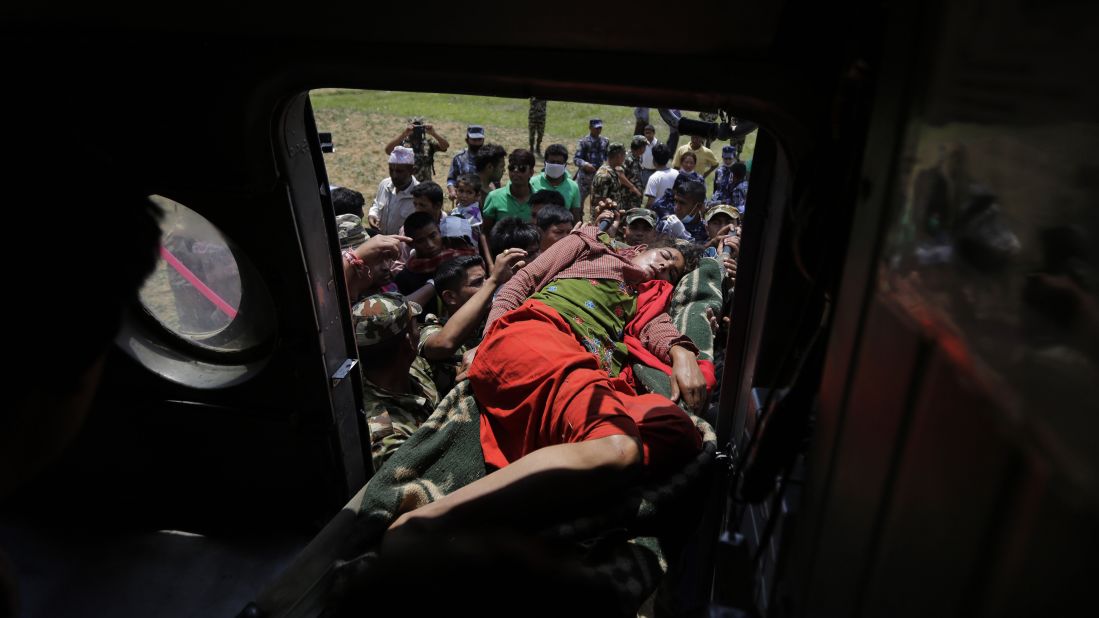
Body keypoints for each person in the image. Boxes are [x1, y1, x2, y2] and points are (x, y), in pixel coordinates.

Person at [386, 225, 708, 542]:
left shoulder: (648, 294)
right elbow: (523, 282)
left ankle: (561, 479)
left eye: (671, 274)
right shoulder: (591, 243)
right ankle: (431, 522)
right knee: (619, 447)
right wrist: (487, 341)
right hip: (539, 334)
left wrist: (682, 353)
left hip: (588, 373)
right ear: (642, 248)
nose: (664, 267)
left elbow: (656, 326)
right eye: (665, 256)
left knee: (677, 431)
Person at [419, 250, 526, 396]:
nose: (486, 286)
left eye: (486, 279)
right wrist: (494, 280)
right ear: (450, 297)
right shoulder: (431, 328)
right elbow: (443, 344)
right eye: (477, 282)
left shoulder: (496, 315)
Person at [352, 293, 439, 471]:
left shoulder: (406, 364)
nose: (420, 329)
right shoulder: (386, 435)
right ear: (408, 344)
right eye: (417, 326)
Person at [393, 212, 476, 311]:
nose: (430, 245)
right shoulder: (404, 278)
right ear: (410, 244)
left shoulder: (462, 261)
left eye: (433, 236)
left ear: (439, 232)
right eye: (421, 241)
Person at [482, 149, 536, 235]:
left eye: (521, 168)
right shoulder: (494, 197)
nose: (515, 171)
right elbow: (485, 232)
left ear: (531, 172)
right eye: (512, 168)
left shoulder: (540, 199)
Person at [369, 146, 419, 234]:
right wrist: (372, 214)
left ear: (412, 171)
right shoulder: (384, 184)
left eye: (399, 171)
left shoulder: (419, 195)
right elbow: (377, 204)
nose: (394, 176)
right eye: (391, 170)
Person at [384, 116, 450, 182]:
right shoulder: (402, 144)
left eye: (419, 127)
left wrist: (434, 133)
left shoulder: (428, 143)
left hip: (425, 183)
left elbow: (445, 146)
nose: (416, 131)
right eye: (414, 128)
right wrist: (403, 134)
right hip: (407, 184)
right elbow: (388, 150)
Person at [529, 143, 582, 222]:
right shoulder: (532, 182)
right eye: (552, 162)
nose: (555, 165)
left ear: (565, 165)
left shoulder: (573, 186)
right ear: (545, 163)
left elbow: (576, 215)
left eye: (559, 163)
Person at [574, 118, 609, 216]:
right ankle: (578, 221)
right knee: (578, 203)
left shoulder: (605, 141)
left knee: (598, 204)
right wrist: (585, 164)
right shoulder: (583, 142)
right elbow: (576, 159)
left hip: (599, 178)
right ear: (590, 128)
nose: (598, 130)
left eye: (600, 128)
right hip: (585, 178)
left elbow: (607, 157)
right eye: (596, 128)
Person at [657, 179, 709, 244]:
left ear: (698, 206)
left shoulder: (706, 229)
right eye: (676, 201)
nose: (677, 207)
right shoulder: (666, 224)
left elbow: (705, 251)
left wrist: (684, 237)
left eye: (682, 203)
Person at [446, 125, 486, 201]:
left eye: (479, 139)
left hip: (485, 201)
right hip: (464, 201)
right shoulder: (459, 158)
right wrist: (452, 191)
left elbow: (496, 181)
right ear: (467, 140)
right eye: (474, 140)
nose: (477, 143)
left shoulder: (489, 158)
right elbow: (451, 179)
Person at [643, 143, 677, 210]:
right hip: (674, 214)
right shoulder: (677, 174)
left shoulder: (654, 177)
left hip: (659, 215)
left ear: (654, 160)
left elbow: (650, 203)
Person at [623, 136, 647, 210]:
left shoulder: (638, 157)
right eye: (645, 146)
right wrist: (633, 188)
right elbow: (620, 176)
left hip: (635, 197)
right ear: (640, 147)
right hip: (628, 197)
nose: (645, 148)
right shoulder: (627, 159)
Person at [639, 124, 660, 189]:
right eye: (646, 133)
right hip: (645, 171)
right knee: (642, 189)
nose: (647, 135)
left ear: (653, 133)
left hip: (656, 171)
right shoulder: (642, 143)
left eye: (649, 133)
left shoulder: (658, 144)